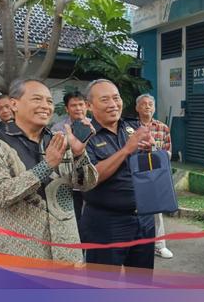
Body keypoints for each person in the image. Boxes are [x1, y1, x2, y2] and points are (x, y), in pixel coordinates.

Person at [0, 79, 98, 262]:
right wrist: (46, 165)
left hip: (66, 251)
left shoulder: (60, 140)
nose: (45, 106)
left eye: (49, 101)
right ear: (14, 104)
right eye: (37, 99)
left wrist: (80, 154)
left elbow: (86, 184)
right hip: (18, 252)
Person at [81, 79, 157, 269]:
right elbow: (91, 177)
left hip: (143, 219)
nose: (113, 104)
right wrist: (126, 150)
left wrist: (149, 153)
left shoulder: (131, 128)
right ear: (89, 106)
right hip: (106, 224)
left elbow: (149, 172)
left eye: (116, 98)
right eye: (105, 99)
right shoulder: (83, 136)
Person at [135, 93, 173, 259]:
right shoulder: (129, 127)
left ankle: (159, 245)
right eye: (144, 104)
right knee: (135, 208)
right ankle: (136, 244)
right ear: (137, 108)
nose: (148, 107)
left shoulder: (163, 128)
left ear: (155, 107)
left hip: (156, 171)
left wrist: (154, 148)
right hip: (136, 170)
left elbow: (169, 153)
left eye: (150, 104)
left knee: (156, 210)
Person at [51, 90, 89, 225]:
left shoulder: (95, 126)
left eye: (81, 104)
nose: (78, 108)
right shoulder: (58, 129)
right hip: (69, 183)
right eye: (73, 105)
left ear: (87, 106)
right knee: (74, 221)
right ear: (67, 109)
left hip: (93, 180)